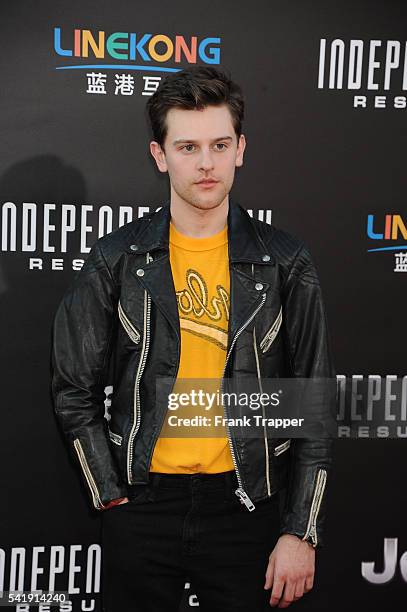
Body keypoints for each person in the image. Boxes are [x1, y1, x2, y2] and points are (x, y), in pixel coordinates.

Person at [51, 65, 336, 611]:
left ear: (240, 149)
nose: (205, 163)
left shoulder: (283, 262)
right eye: (187, 146)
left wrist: (301, 531)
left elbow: (313, 406)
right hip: (142, 503)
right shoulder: (119, 259)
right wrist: (110, 496)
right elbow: (72, 390)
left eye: (219, 144)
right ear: (160, 155)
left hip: (247, 502)